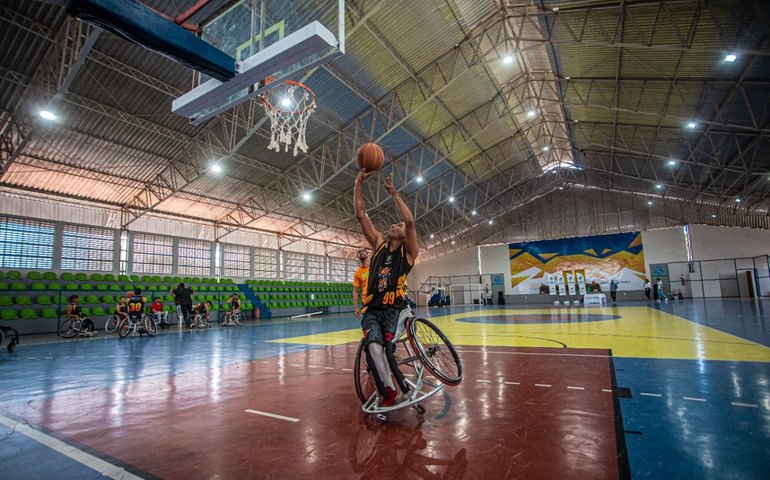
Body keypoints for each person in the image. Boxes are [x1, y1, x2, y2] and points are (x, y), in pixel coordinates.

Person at [355, 168, 418, 408]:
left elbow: (410, 222)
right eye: (395, 223)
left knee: (388, 348)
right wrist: (358, 182)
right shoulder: (379, 244)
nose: (395, 223)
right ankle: (389, 391)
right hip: (373, 309)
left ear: (404, 236)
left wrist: (394, 194)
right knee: (373, 346)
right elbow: (361, 215)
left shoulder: (409, 254)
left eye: (398, 225)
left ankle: (403, 385)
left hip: (397, 309)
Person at [352, 248, 370, 318]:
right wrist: (356, 307)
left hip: (378, 299)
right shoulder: (358, 273)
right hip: (366, 301)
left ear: (368, 254)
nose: (361, 252)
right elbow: (355, 291)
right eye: (359, 252)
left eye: (363, 251)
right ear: (357, 256)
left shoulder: (375, 267)